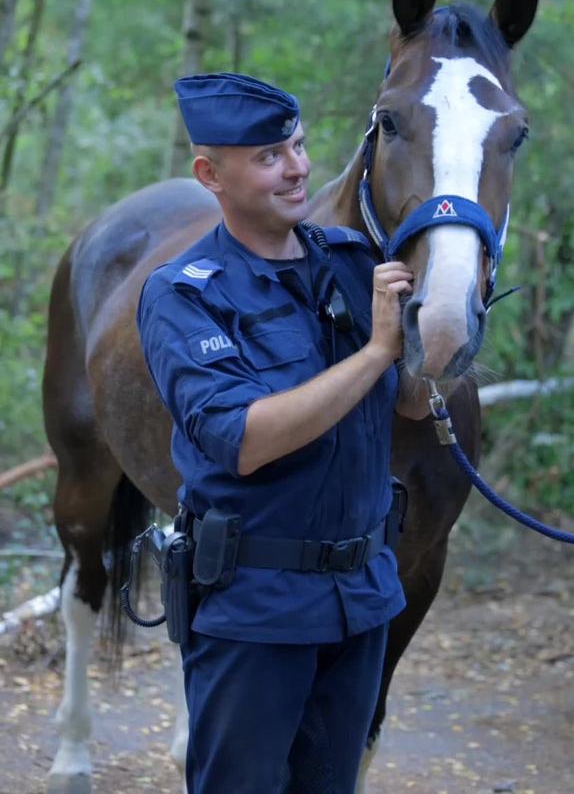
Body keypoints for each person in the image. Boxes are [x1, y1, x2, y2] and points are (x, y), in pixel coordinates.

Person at [137, 72, 423, 794]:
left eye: (296, 147)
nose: (296, 168)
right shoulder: (185, 293)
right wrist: (376, 352)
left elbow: (414, 408)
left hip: (360, 597)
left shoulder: (354, 266)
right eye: (268, 156)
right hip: (253, 612)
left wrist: (435, 329)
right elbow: (244, 437)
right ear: (211, 174)